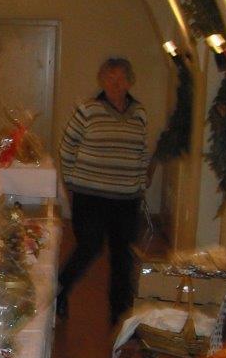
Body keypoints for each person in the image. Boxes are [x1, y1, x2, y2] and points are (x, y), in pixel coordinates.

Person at [56, 56, 153, 326]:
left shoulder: (139, 113)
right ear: (102, 80)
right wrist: (72, 182)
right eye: (110, 77)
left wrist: (140, 186)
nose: (115, 83)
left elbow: (142, 153)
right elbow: (66, 148)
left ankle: (120, 317)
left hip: (126, 200)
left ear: (130, 81)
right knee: (89, 247)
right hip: (90, 197)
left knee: (123, 258)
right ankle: (60, 290)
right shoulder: (88, 110)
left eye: (121, 78)